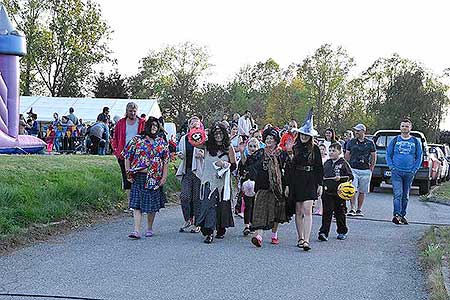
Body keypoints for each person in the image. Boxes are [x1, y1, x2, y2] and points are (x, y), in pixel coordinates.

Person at [123, 117, 169, 239]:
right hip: (139, 176)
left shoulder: (161, 142)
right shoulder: (137, 140)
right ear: (147, 126)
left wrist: (164, 177)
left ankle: (149, 227)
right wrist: (128, 173)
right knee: (137, 204)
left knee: (151, 205)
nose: (154, 128)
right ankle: (136, 230)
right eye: (152, 125)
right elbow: (127, 156)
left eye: (156, 126)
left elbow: (166, 161)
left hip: (155, 177)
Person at [286, 110, 323, 251]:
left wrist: (320, 184)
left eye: (306, 135)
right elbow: (290, 167)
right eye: (302, 134)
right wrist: (288, 184)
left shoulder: (315, 149)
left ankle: (306, 239)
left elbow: (319, 167)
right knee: (299, 210)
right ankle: (300, 237)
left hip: (310, 179)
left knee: (308, 209)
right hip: (296, 179)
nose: (303, 137)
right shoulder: (295, 148)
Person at [246, 126, 289, 247]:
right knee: (260, 210)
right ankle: (258, 236)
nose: (269, 140)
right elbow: (249, 164)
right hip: (262, 186)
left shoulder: (282, 154)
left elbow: (288, 169)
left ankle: (274, 234)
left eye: (272, 138)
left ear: (276, 140)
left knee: (277, 211)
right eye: (267, 138)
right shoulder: (260, 152)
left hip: (278, 187)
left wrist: (287, 186)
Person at [196, 123, 236, 244]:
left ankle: (220, 227)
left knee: (221, 206)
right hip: (208, 181)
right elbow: (195, 142)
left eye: (220, 133)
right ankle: (209, 231)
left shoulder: (229, 148)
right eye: (216, 133)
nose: (218, 135)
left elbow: (234, 166)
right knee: (208, 205)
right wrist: (197, 129)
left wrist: (224, 164)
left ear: (224, 134)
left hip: (222, 183)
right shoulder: (207, 146)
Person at [386, 119, 423, 225]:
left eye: (407, 126)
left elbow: (419, 156)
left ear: (410, 128)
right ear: (400, 127)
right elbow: (388, 154)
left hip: (409, 172)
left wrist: (414, 169)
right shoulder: (395, 140)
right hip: (396, 172)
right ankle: (396, 215)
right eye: (403, 126)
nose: (404, 128)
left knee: (405, 196)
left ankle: (402, 215)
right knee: (398, 194)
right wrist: (391, 166)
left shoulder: (415, 141)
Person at [112, 102, 146, 205]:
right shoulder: (121, 123)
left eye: (134, 111)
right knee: (127, 178)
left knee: (139, 178)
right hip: (124, 154)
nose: (132, 113)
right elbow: (115, 138)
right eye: (130, 111)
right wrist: (116, 150)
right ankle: (130, 203)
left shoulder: (142, 122)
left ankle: (139, 202)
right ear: (127, 111)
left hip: (138, 155)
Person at [318, 143, 354, 241]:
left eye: (333, 151)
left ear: (339, 152)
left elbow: (350, 177)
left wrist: (341, 179)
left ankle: (342, 231)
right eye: (330, 151)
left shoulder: (343, 163)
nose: (331, 153)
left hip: (339, 193)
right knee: (327, 213)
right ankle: (323, 232)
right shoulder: (327, 163)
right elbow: (321, 175)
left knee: (340, 212)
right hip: (327, 192)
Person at [176, 116, 204, 233]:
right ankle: (187, 219)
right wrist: (180, 154)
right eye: (192, 125)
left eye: (197, 126)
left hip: (198, 171)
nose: (194, 127)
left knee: (197, 198)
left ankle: (198, 223)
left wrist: (202, 154)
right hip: (186, 170)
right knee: (185, 196)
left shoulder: (202, 138)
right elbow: (180, 151)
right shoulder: (184, 139)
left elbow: (209, 153)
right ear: (189, 126)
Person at [345, 124, 376, 217]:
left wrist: (372, 168)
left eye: (358, 130)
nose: (356, 132)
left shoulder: (370, 143)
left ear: (363, 131)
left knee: (362, 190)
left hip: (365, 170)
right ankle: (352, 208)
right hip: (353, 168)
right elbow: (347, 155)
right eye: (355, 130)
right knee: (352, 189)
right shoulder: (351, 142)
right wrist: (347, 168)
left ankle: (359, 209)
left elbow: (374, 156)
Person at [238, 137, 261, 235]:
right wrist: (242, 152)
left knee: (255, 206)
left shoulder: (260, 159)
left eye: (254, 146)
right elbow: (242, 164)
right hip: (247, 184)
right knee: (248, 205)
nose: (252, 148)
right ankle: (246, 225)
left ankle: (253, 224)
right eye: (251, 146)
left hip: (257, 184)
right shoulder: (246, 157)